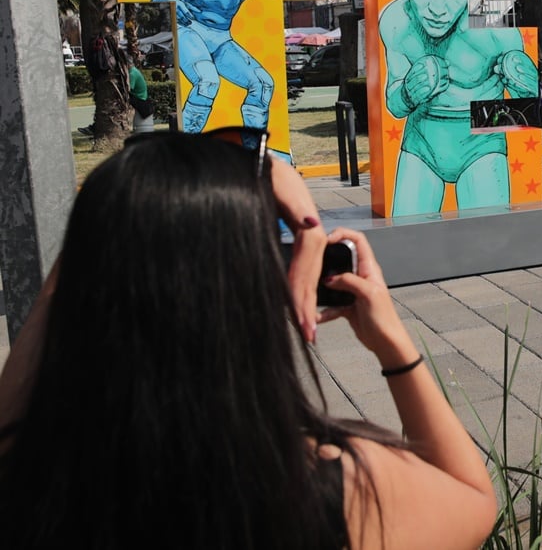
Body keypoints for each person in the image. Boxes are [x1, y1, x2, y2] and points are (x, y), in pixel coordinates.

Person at [0, 131, 496, 549]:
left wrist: (116, 226)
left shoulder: (35, 473)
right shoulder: (331, 487)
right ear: (248, 293)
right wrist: (392, 343)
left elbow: (61, 291)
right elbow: (473, 501)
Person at [379, 0, 538, 216]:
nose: (438, 7)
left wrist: (526, 82)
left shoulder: (494, 16)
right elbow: (394, 105)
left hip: (482, 142)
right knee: (407, 240)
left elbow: (530, 108)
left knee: (488, 242)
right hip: (421, 141)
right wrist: (409, 94)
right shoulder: (396, 20)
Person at [153, 0, 332, 141]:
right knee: (207, 81)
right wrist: (175, 2)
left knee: (263, 84)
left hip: (221, 38)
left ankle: (252, 151)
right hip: (190, 30)